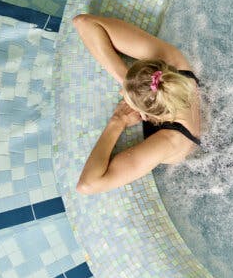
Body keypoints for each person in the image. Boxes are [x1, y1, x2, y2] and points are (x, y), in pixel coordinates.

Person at [72, 14, 201, 194]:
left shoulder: (168, 142)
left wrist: (117, 122)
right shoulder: (173, 62)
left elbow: (88, 185)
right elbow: (83, 22)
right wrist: (129, 83)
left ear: (146, 114)